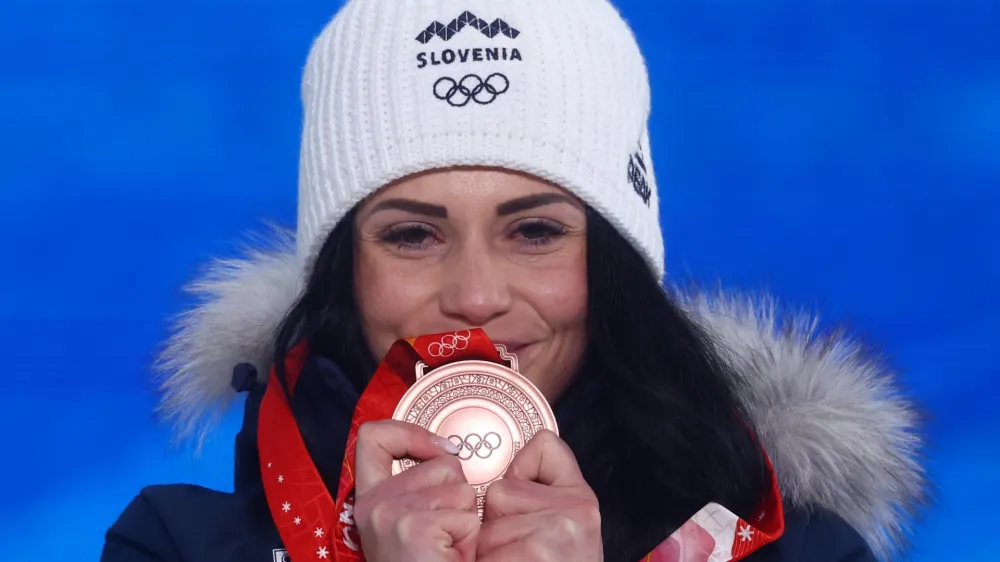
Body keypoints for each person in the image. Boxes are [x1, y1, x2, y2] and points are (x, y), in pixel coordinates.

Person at [101, 0, 927, 561]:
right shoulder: (171, 544)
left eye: (534, 230)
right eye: (412, 234)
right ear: (342, 271)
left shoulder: (802, 549)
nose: (476, 293)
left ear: (615, 268)